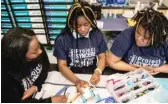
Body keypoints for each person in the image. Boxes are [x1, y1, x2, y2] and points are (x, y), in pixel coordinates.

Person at [1, 27, 67, 103]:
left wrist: (36, 86)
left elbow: (45, 67)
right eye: (34, 52)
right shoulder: (5, 78)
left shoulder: (35, 47)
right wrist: (49, 101)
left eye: (38, 45)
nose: (40, 51)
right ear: (20, 56)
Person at [53, 1, 107, 92]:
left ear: (91, 22)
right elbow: (62, 66)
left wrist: (98, 72)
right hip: (70, 76)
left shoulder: (96, 35)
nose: (82, 29)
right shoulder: (62, 39)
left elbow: (102, 57)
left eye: (86, 25)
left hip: (91, 74)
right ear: (71, 23)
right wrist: (77, 81)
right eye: (78, 26)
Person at [106, 7, 168, 75]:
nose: (138, 39)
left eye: (145, 37)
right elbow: (110, 61)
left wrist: (155, 69)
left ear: (157, 38)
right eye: (138, 32)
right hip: (129, 75)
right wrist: (136, 69)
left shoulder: (165, 42)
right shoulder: (126, 36)